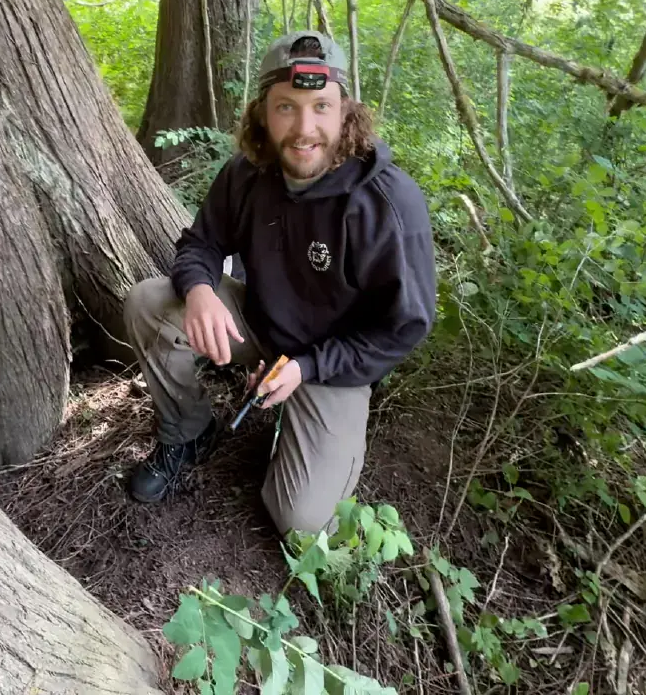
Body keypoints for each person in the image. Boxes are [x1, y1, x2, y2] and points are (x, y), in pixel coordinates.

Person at [123, 31, 437, 534]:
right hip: (262, 324)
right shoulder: (247, 174)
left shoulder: (386, 203)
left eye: (321, 107)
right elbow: (201, 244)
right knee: (149, 302)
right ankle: (189, 431)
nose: (304, 127)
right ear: (263, 113)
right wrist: (201, 291)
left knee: (302, 522)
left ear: (346, 113)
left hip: (333, 361)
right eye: (286, 107)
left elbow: (403, 327)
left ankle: (312, 434)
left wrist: (308, 366)